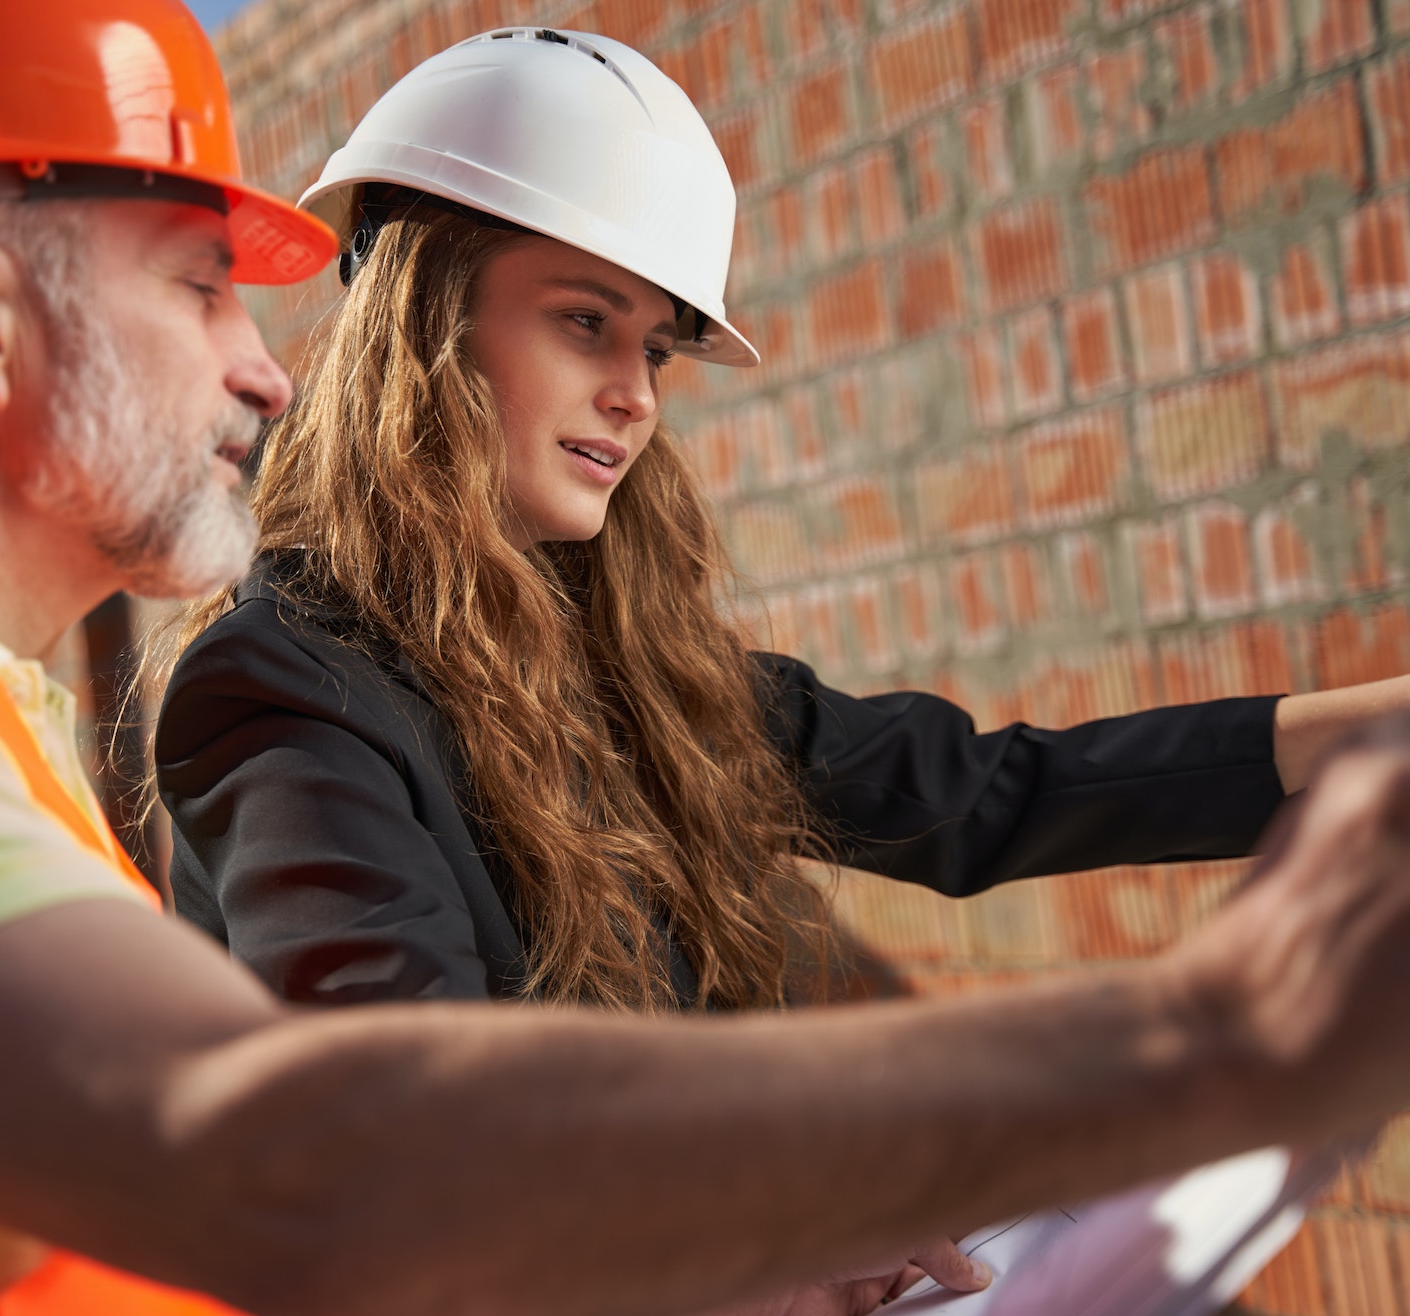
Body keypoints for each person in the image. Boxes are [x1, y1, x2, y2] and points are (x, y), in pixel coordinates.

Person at [0, 5, 1410, 1316]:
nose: (260, 364)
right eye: (202, 288)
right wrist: (1209, 1040)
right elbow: (325, 1162)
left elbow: (969, 789)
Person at [152, 28, 1410, 1018]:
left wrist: (1378, 738)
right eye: (583, 320)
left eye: (654, 346)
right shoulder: (282, 692)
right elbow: (414, 1123)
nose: (635, 394)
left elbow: (985, 793)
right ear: (421, 319)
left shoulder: (626, 666)